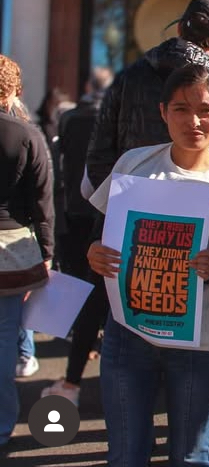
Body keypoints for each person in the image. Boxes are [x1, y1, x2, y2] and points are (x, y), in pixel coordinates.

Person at [86, 64, 209, 467]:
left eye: (206, 110)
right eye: (181, 109)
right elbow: (99, 231)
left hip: (200, 340)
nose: (194, 120)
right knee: (126, 455)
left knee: (192, 456)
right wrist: (93, 252)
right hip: (129, 334)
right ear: (163, 112)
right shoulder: (134, 164)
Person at [86, 0, 209, 191]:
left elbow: (97, 156)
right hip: (202, 211)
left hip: (133, 210)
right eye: (180, 109)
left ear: (179, 29)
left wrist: (123, 200)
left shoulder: (128, 77)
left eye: (204, 111)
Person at [40, 67, 114, 406]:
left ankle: (73, 346)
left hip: (75, 207)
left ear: (86, 86)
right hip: (106, 209)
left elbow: (62, 161)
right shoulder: (111, 117)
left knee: (78, 280)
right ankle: (96, 345)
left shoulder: (71, 118)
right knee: (102, 286)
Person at [0, 54, 54, 451]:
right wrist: (48, 252)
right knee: (5, 339)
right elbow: (42, 201)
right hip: (11, 249)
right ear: (15, 89)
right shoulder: (26, 133)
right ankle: (1, 427)